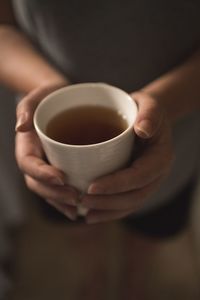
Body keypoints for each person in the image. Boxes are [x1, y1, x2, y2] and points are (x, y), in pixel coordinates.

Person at [0, 0, 200, 238]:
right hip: (52, 157)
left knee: (152, 229)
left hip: (172, 142)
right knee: (73, 220)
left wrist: (164, 104)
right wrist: (46, 87)